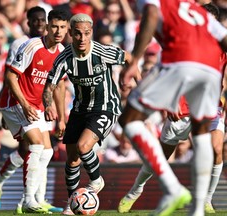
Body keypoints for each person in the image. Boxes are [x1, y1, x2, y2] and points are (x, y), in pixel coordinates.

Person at [117, 0, 227, 215]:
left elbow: (149, 14)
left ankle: (189, 195)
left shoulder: (160, 3)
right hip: (200, 80)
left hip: (185, 66)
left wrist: (135, 61)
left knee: (129, 120)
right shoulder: (197, 13)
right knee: (173, 148)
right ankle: (137, 191)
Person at [42, 13, 133, 215]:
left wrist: (135, 79)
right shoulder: (64, 58)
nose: (82, 38)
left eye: (86, 33)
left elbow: (128, 57)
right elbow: (50, 85)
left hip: (106, 107)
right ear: (71, 35)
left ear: (91, 33)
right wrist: (50, 107)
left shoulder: (102, 52)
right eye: (77, 34)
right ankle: (72, 202)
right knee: (72, 159)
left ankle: (96, 180)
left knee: (84, 146)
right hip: (80, 109)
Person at [0, 8, 69, 214]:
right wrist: (22, 105)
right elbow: (10, 76)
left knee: (46, 150)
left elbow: (58, 85)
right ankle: (27, 200)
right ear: (45, 26)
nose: (58, 31)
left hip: (37, 105)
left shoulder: (62, 53)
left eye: (62, 27)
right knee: (35, 145)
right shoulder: (28, 45)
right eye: (54, 26)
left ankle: (36, 198)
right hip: (16, 102)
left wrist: (61, 117)